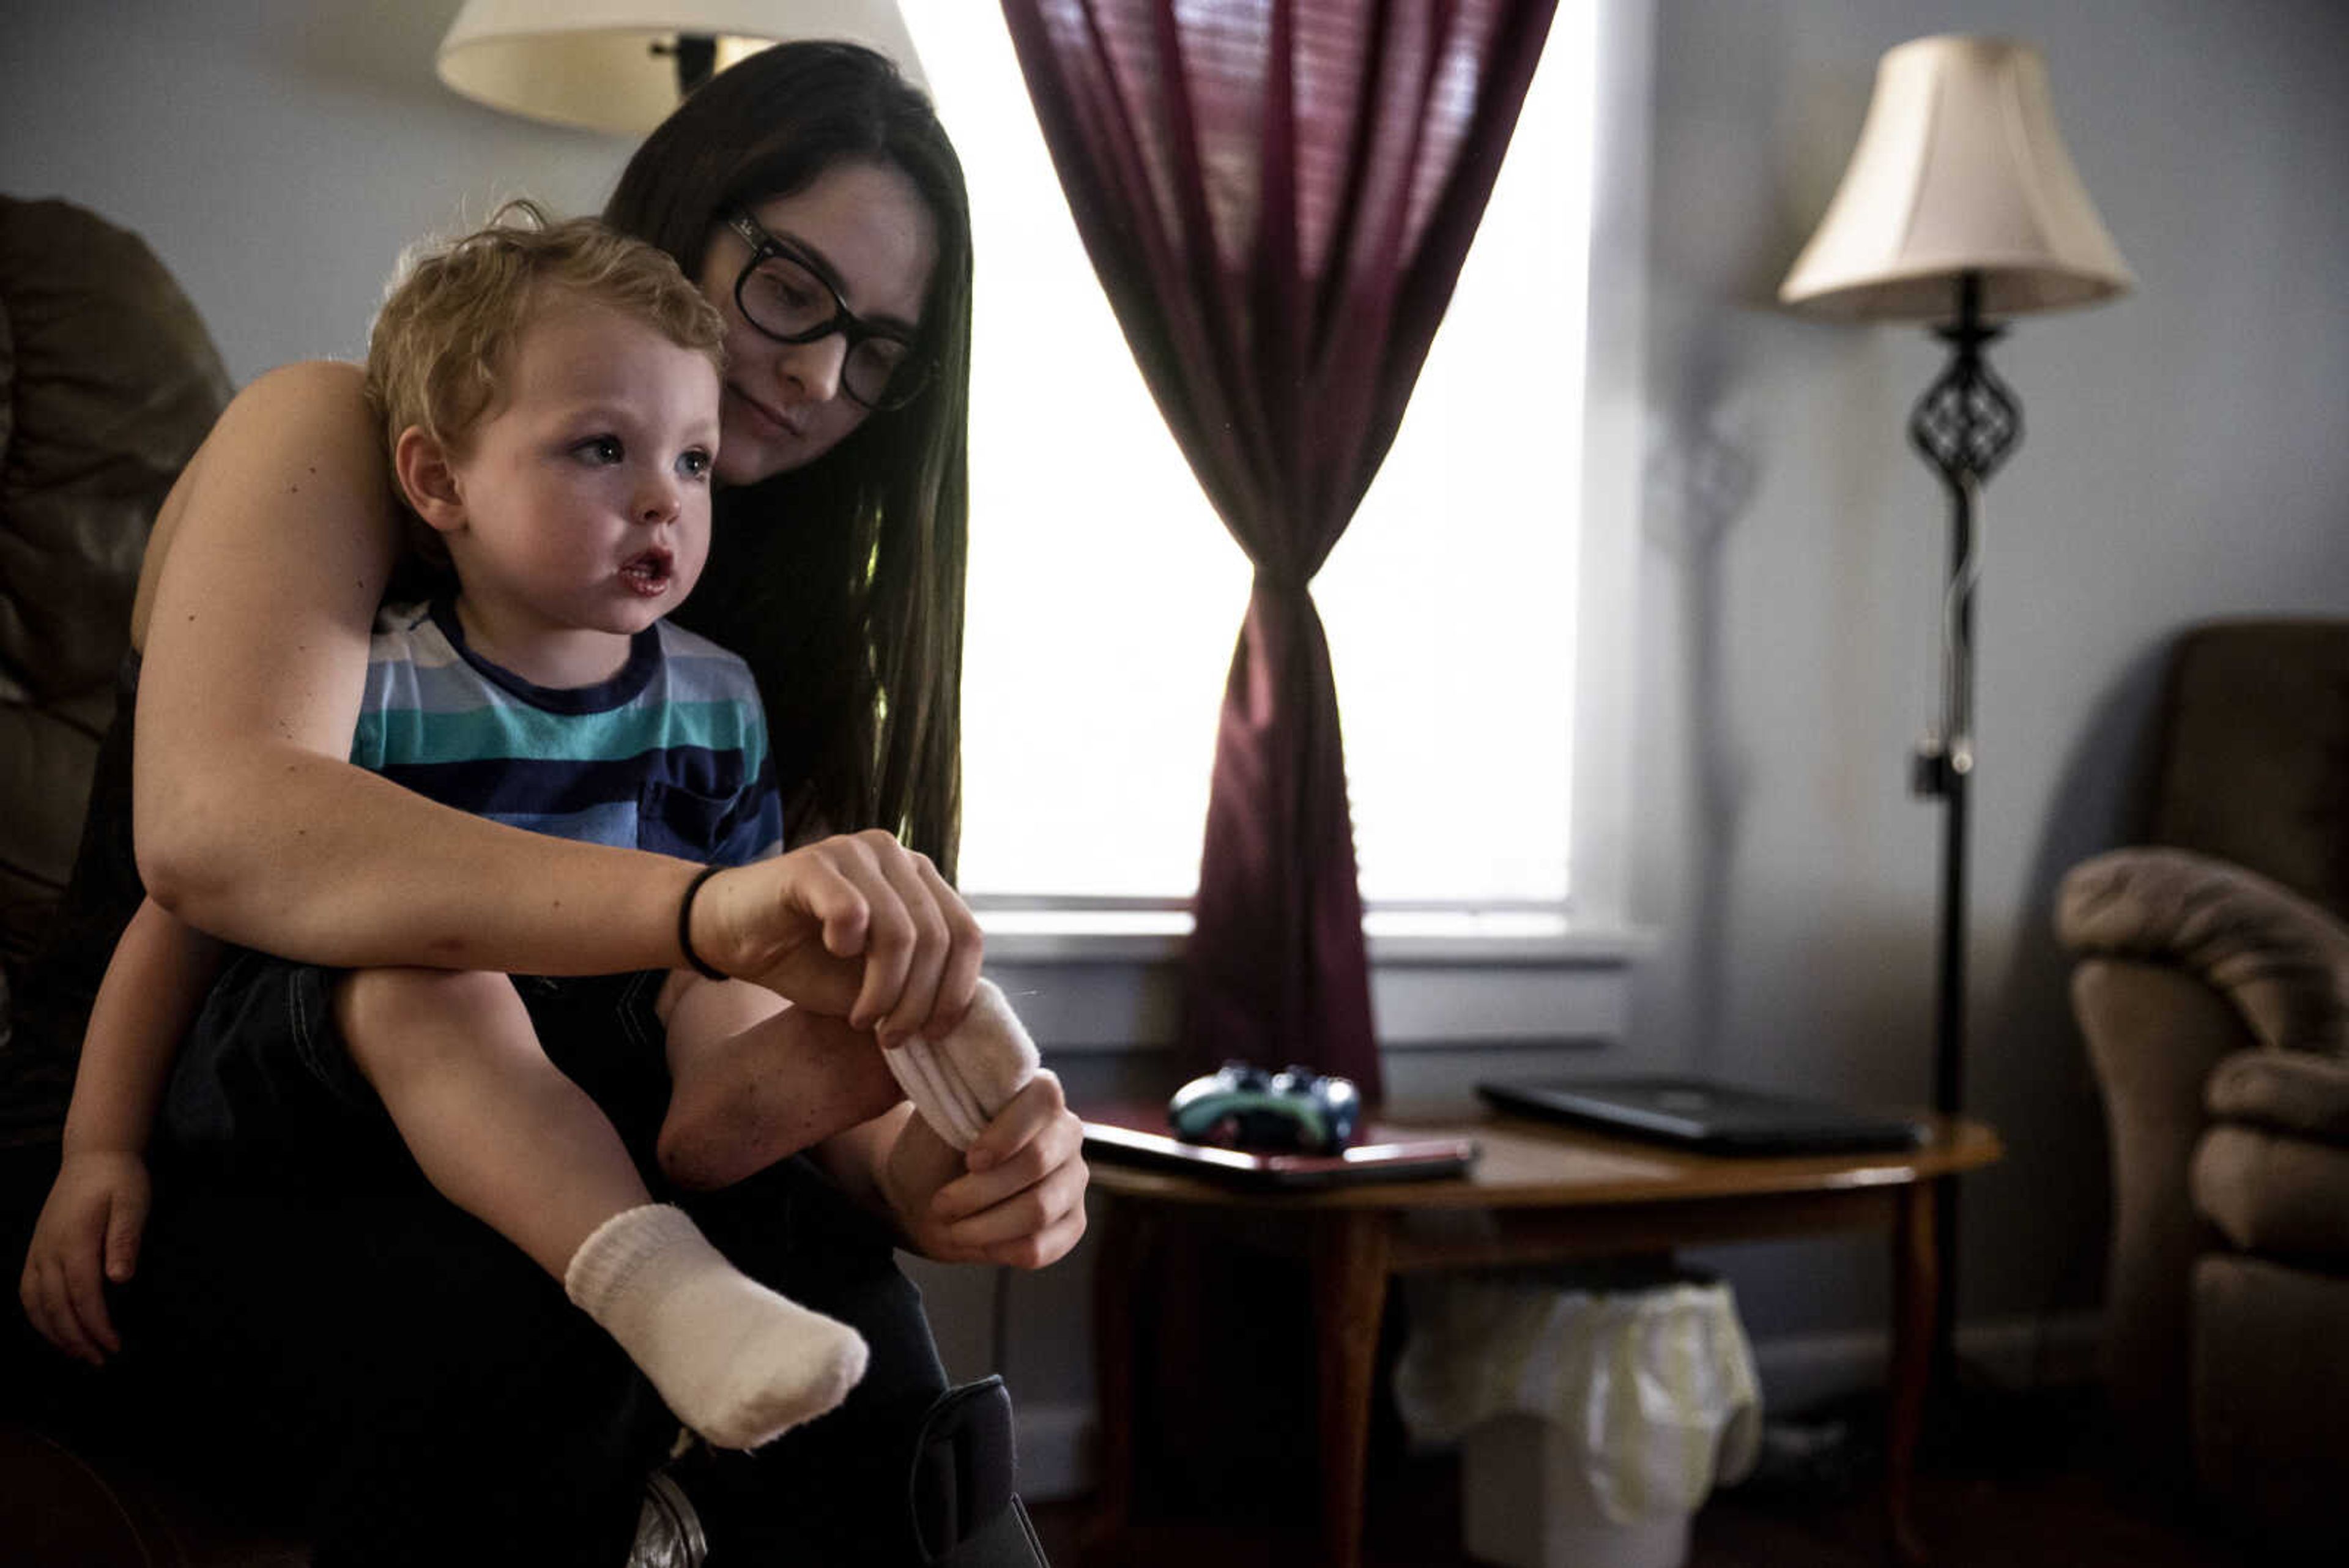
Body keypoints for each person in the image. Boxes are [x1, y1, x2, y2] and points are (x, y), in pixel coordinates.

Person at [15, 40, 1085, 1568]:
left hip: (610, 1094)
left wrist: (930, 1169)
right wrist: (710, 917)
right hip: (231, 1088)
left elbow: (727, 1007)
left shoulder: (720, 641)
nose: (816, 372)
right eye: (790, 286)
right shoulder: (337, 434)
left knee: (855, 1315)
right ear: (690, 214)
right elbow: (216, 844)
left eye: (878, 349)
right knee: (525, 1280)